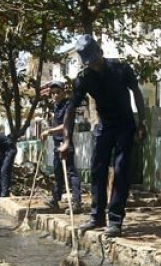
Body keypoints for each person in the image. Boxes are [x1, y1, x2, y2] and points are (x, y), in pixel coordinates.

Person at [58, 35, 146, 237]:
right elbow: (71, 110)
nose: (93, 65)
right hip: (104, 126)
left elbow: (137, 93)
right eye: (88, 62)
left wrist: (142, 122)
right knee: (97, 168)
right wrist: (66, 140)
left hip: (124, 124)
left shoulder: (121, 68)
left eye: (94, 60)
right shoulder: (84, 78)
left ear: (101, 53)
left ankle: (115, 220)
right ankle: (96, 216)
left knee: (121, 169)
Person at [41, 80, 82, 213]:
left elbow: (66, 125)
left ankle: (76, 203)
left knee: (71, 173)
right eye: (53, 93)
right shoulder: (56, 107)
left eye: (58, 92)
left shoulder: (68, 106)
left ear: (64, 92)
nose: (55, 95)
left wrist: (49, 131)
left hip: (66, 143)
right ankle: (55, 199)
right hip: (57, 144)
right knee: (58, 173)